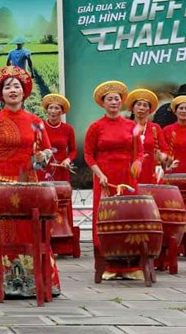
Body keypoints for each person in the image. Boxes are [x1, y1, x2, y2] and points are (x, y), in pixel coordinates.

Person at [0, 66, 57, 299]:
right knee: (2, 235)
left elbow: (48, 152)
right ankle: (1, 281)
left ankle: (35, 280)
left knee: (31, 233)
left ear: (24, 91)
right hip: (1, 187)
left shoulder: (36, 122)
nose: (12, 90)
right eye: (7, 87)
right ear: (1, 93)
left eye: (16, 86)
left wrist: (42, 158)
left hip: (28, 185)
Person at [84, 80, 143, 280]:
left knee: (129, 217)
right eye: (109, 99)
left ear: (122, 102)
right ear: (103, 103)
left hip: (127, 177)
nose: (114, 102)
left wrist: (137, 164)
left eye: (117, 99)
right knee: (106, 218)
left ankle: (131, 266)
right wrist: (99, 174)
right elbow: (88, 155)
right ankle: (108, 264)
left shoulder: (132, 126)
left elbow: (139, 153)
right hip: (104, 178)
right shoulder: (95, 127)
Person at [127, 89, 168, 184]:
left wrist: (161, 156)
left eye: (145, 105)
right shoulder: (125, 127)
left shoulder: (155, 128)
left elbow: (165, 150)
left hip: (151, 171)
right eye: (138, 104)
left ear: (149, 110)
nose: (141, 108)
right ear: (132, 109)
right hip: (131, 171)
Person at [38, 94, 77, 182]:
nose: (53, 111)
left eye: (56, 108)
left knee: (61, 194)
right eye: (50, 108)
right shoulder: (40, 127)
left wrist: (68, 160)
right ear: (47, 110)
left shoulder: (68, 129)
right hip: (42, 169)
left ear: (62, 112)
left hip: (61, 170)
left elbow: (73, 151)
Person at [163, 95, 186, 174]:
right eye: (181, 108)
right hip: (172, 170)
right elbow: (164, 150)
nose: (184, 111)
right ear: (175, 111)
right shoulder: (167, 130)